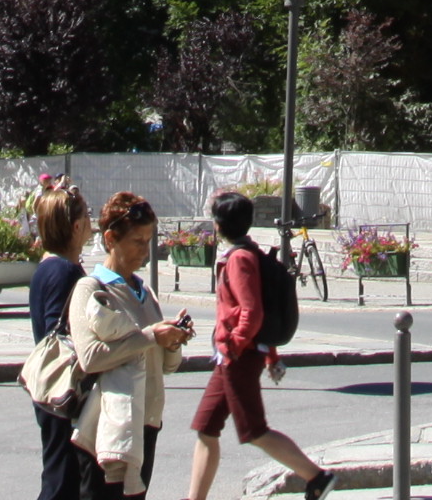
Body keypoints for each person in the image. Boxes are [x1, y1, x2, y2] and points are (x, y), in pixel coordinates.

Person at [179, 193, 328, 500]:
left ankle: (317, 477)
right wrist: (268, 354)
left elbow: (253, 311)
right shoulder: (245, 253)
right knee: (206, 427)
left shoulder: (240, 259)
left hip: (238, 357)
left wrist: (234, 345)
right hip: (232, 356)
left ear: (218, 225)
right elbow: (262, 312)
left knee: (254, 431)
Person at [71, 192, 190, 498]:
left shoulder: (144, 291)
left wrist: (174, 341)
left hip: (146, 420)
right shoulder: (91, 289)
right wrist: (151, 337)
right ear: (111, 239)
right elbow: (90, 358)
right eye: (138, 241)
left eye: (149, 241)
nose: (145, 251)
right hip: (107, 423)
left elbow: (167, 366)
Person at [26, 187, 90, 500]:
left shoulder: (48, 267)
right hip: (63, 391)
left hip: (52, 389)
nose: (91, 223)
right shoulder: (64, 271)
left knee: (61, 477)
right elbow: (58, 331)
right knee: (62, 482)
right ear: (76, 227)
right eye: (86, 216)